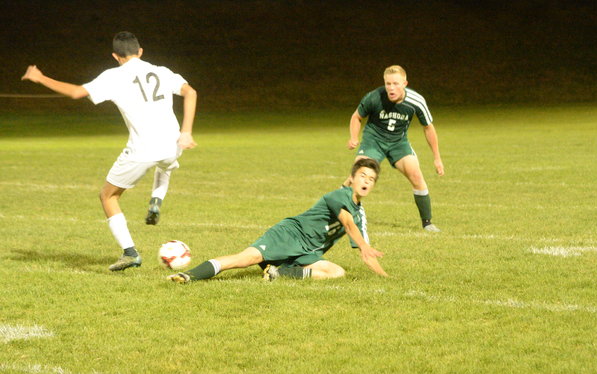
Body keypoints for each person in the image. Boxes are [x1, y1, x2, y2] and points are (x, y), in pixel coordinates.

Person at [21, 31, 197, 271]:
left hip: (142, 149)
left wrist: (40, 77)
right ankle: (157, 199)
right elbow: (191, 92)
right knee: (166, 165)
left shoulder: (113, 76)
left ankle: (130, 253)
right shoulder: (161, 71)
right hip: (174, 143)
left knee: (108, 196)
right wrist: (186, 132)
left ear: (115, 56)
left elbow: (76, 93)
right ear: (140, 51)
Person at [168, 159, 388, 283]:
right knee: (246, 258)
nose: (366, 181)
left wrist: (385, 277)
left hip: (307, 253)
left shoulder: (360, 214)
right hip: (289, 235)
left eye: (371, 179)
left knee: (336, 272)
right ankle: (188, 275)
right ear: (352, 178)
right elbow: (347, 223)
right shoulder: (338, 195)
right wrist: (364, 245)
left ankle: (277, 272)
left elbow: (366, 252)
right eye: (362, 175)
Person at [346, 65, 444, 232]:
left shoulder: (416, 101)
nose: (391, 88)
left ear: (405, 83)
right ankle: (338, 212)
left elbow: (428, 127)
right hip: (374, 141)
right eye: (388, 83)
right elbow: (356, 117)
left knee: (416, 175)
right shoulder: (374, 97)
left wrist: (437, 158)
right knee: (359, 174)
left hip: (398, 143)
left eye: (396, 84)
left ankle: (427, 223)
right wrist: (354, 137)